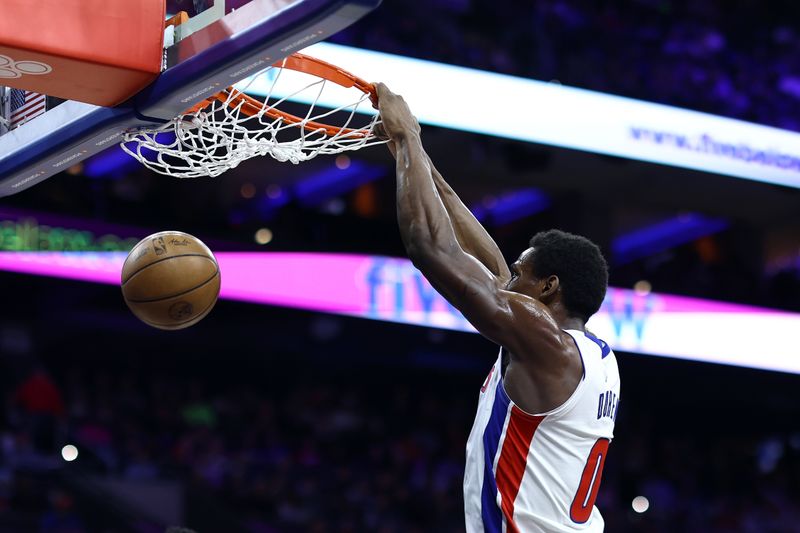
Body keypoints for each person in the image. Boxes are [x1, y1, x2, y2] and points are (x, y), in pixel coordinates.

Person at [376, 83, 620, 532]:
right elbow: (474, 247)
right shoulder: (588, 354)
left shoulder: (548, 346)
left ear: (548, 287)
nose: (507, 278)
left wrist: (409, 137)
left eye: (519, 272)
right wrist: (410, 150)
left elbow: (431, 245)